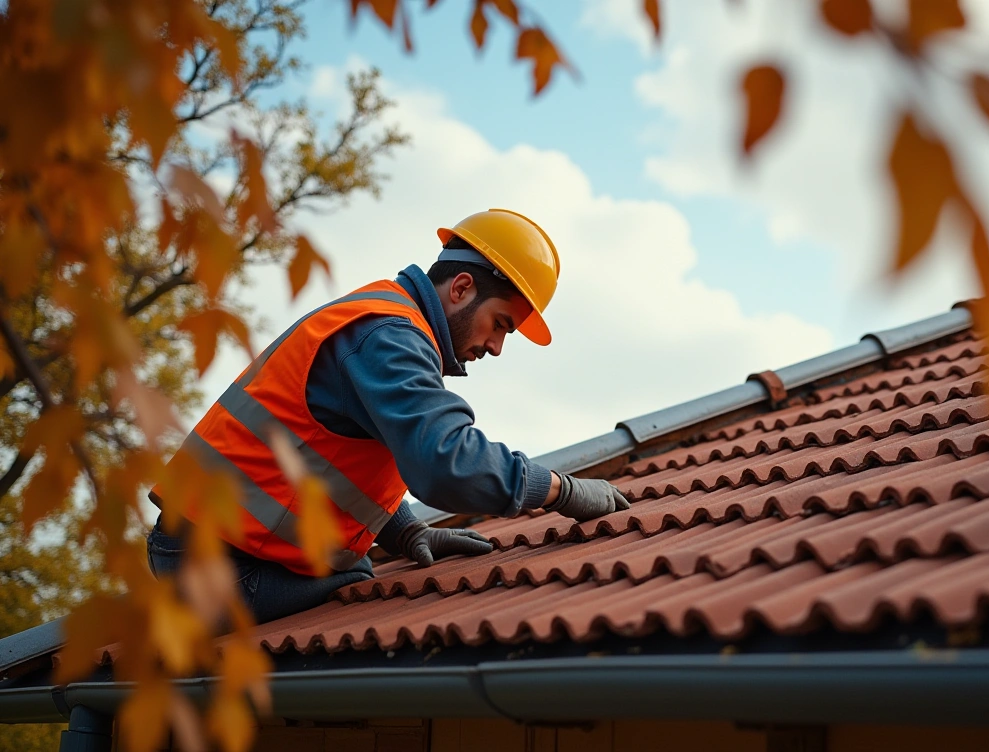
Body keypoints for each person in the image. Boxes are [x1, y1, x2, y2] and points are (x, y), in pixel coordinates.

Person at [144, 209, 629, 622]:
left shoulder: (383, 319)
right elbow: (447, 460)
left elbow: (326, 455)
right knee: (361, 584)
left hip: (201, 553)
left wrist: (405, 529)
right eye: (500, 324)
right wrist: (561, 490)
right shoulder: (389, 337)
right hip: (219, 570)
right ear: (461, 288)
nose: (497, 347)